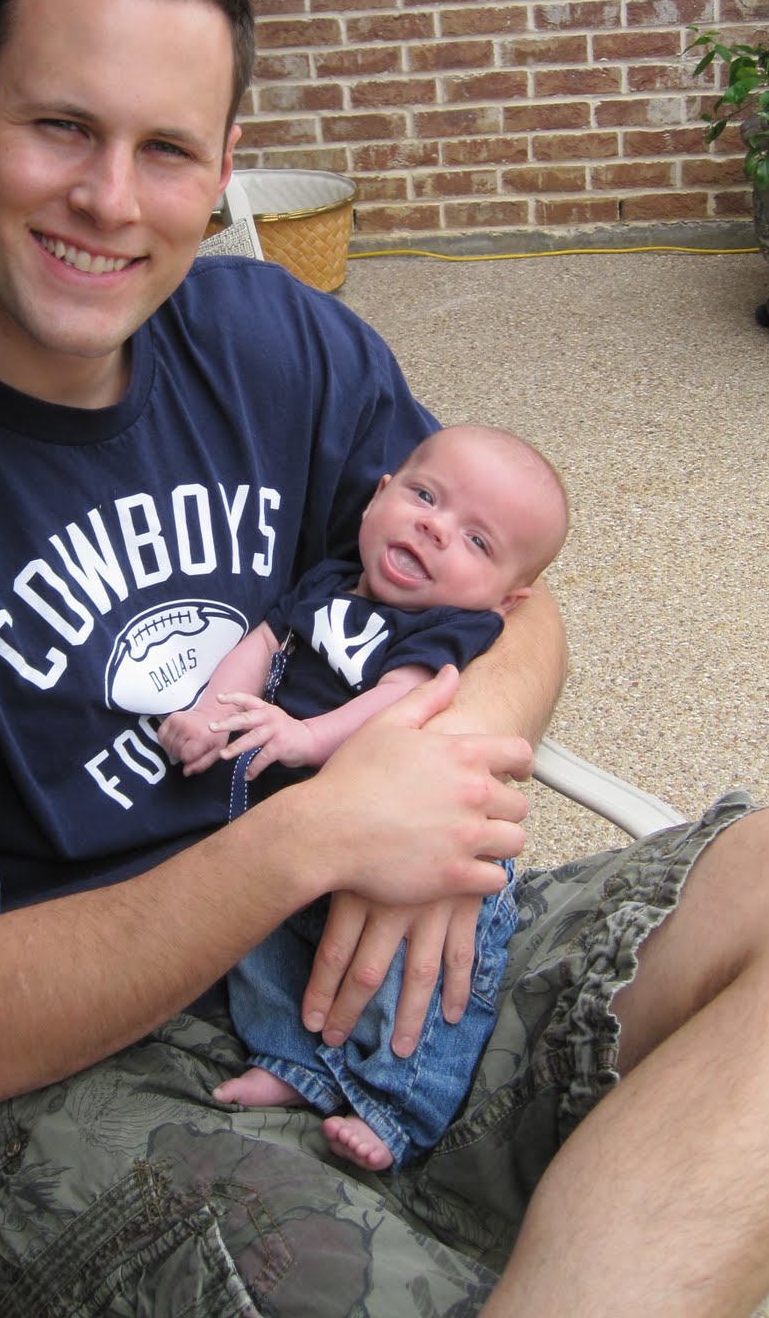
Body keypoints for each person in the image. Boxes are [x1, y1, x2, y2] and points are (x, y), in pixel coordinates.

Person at [0, 0, 769, 1317]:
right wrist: (313, 834)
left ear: (223, 170)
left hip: (386, 933)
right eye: (61, 125)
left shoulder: (275, 339)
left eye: (165, 148)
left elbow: (517, 609)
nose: (109, 199)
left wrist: (422, 776)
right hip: (103, 1076)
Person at [159, 423, 569, 1172]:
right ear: (378, 496)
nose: (435, 529)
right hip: (297, 837)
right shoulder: (329, 580)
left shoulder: (449, 626)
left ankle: (401, 1106)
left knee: (425, 986)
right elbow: (261, 643)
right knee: (258, 950)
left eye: (477, 541)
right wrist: (210, 712)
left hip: (410, 843)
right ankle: (295, 1065)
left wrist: (306, 736)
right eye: (424, 496)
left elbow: (398, 698)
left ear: (507, 601)